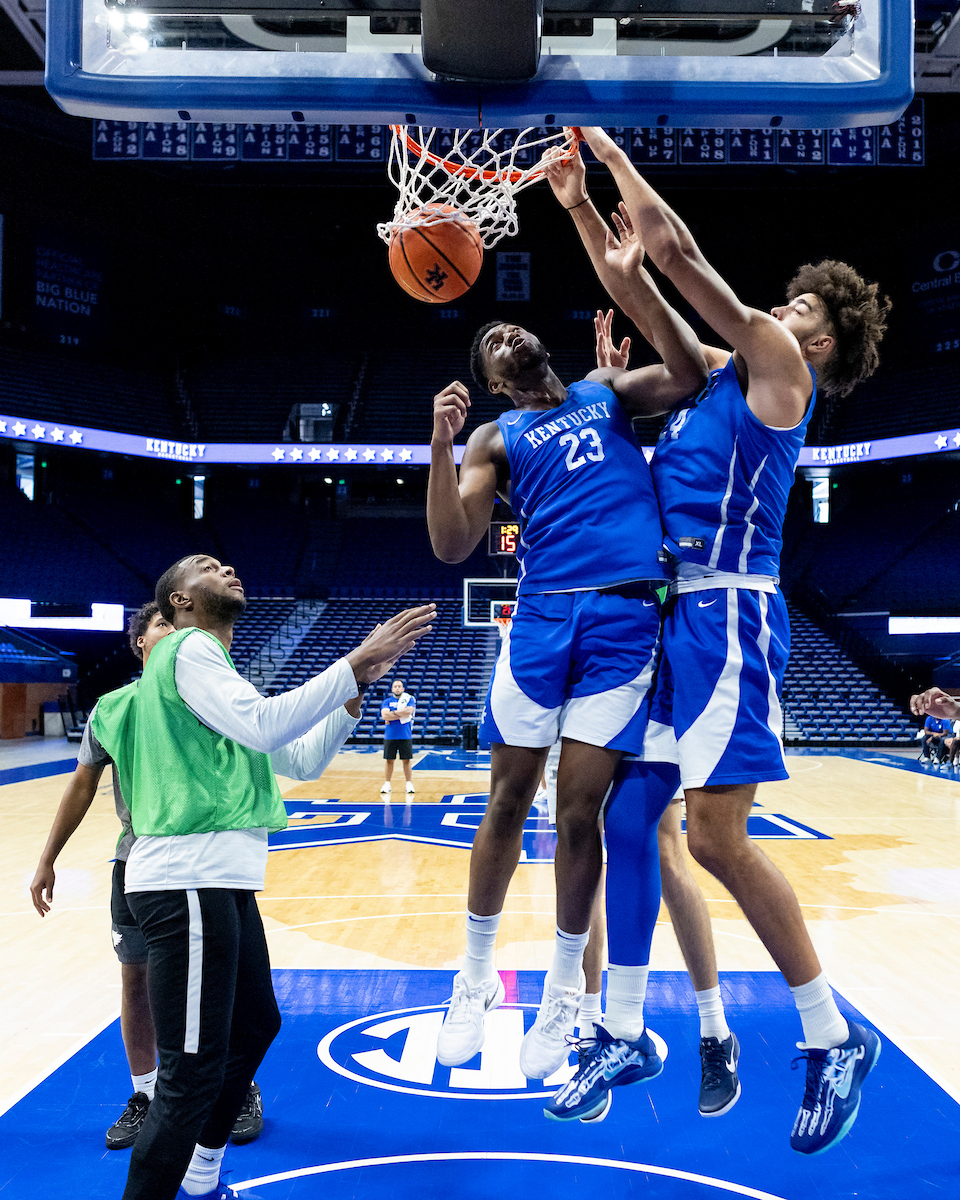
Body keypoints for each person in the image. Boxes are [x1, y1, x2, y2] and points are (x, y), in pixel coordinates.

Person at [555, 125, 890, 1152]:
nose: (783, 311)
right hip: (675, 615)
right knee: (630, 815)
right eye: (786, 304)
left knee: (716, 840)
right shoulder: (716, 379)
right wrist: (577, 207)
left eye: (800, 307)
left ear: (818, 341)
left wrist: (613, 159)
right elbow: (647, 296)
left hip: (729, 615)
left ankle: (832, 1035)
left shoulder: (779, 367)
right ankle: (622, 1031)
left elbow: (679, 257)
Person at [426, 222, 707, 1086]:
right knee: (508, 800)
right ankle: (473, 979)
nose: (504, 336)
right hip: (543, 617)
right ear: (491, 383)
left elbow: (689, 372)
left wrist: (632, 285)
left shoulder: (603, 390)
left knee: (579, 814)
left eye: (509, 328)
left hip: (625, 621)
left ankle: (562, 994)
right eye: (490, 344)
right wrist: (440, 448)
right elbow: (452, 544)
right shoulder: (495, 437)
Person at [91, 554, 433, 1200]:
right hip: (187, 879)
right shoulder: (187, 649)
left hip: (218, 880)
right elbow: (264, 724)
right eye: (205, 566)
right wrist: (354, 662)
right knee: (189, 1075)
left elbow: (299, 758)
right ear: (180, 602)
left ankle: (201, 1177)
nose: (225, 566)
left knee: (255, 1025)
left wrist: (353, 692)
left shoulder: (216, 679)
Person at [30, 602, 267, 1151]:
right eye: (161, 624)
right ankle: (146, 1093)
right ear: (140, 642)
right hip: (136, 864)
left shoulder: (213, 697)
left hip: (205, 865)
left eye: (177, 623)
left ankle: (238, 1086)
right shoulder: (114, 707)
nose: (174, 631)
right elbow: (82, 783)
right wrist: (47, 857)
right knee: (135, 980)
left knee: (226, 984)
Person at [380, 678, 416, 795]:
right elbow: (385, 715)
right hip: (390, 736)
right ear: (392, 689)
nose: (397, 688)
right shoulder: (387, 701)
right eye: (395, 686)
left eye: (399, 686)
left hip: (405, 735)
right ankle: (387, 784)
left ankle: (409, 783)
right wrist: (401, 714)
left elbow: (409, 711)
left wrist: (393, 713)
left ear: (403, 689)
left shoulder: (409, 700)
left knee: (406, 760)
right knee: (389, 760)